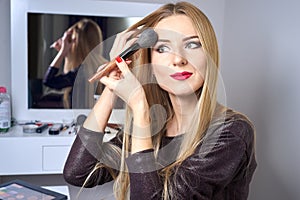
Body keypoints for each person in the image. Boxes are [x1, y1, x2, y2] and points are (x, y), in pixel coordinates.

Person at [63, 2, 257, 200]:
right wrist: (112, 85)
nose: (178, 59)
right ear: (150, 63)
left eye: (192, 44)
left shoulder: (231, 133)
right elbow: (78, 173)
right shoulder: (154, 126)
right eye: (163, 48)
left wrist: (140, 108)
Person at [43, 18, 107, 108]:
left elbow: (48, 81)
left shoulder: (81, 73)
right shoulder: (104, 66)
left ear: (76, 43)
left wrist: (62, 52)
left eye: (69, 41)